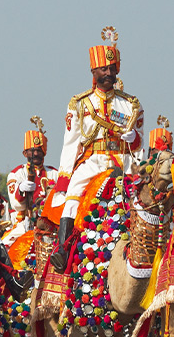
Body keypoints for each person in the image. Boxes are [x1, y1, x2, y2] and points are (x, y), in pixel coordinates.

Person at [49, 26, 144, 272]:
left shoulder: (130, 104)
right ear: (93, 70)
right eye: (104, 68)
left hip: (123, 164)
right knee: (72, 200)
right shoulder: (80, 103)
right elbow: (70, 145)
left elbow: (140, 145)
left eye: (113, 69)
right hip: (92, 162)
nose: (109, 73)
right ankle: (62, 250)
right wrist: (63, 181)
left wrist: (133, 139)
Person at [2, 116, 57, 246]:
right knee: (5, 249)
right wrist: (20, 190)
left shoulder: (54, 173)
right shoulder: (16, 174)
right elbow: (16, 205)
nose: (36, 154)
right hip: (23, 224)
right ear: (24, 153)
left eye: (39, 150)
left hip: (51, 227)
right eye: (31, 151)